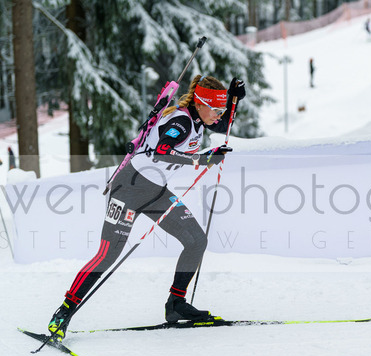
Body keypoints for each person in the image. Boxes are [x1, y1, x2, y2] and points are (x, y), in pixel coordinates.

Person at [47, 74, 246, 339]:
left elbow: (222, 124)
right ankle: (63, 312)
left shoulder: (199, 118)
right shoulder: (181, 121)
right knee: (108, 255)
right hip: (129, 189)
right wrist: (201, 159)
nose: (218, 115)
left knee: (196, 241)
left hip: (156, 193)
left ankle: (176, 304)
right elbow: (162, 150)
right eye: (216, 109)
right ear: (199, 103)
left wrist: (233, 100)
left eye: (220, 109)